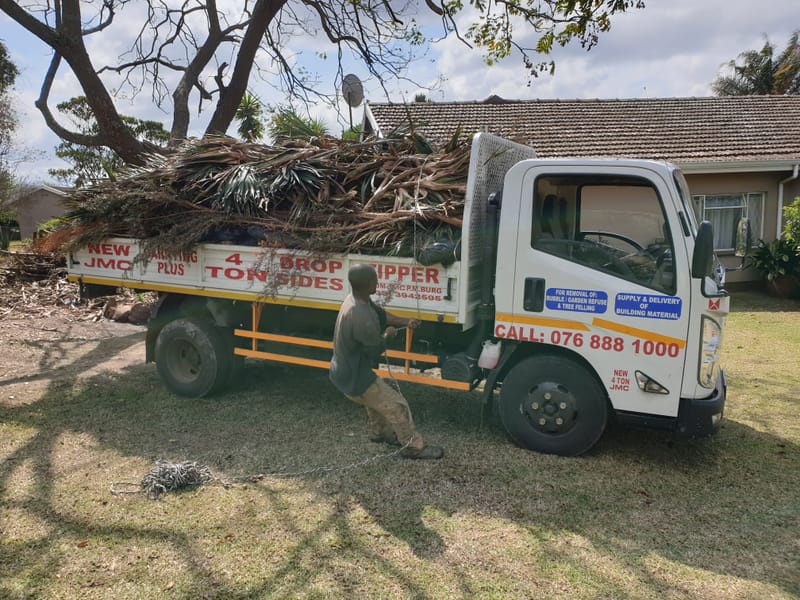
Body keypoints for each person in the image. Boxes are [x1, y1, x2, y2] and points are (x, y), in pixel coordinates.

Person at [329, 264, 444, 460]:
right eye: (375, 280)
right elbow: (375, 351)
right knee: (397, 405)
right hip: (355, 376)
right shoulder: (361, 315)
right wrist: (388, 336)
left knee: (375, 401)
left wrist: (406, 321)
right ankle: (413, 448)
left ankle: (379, 432)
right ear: (368, 284)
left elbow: (381, 315)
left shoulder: (356, 300)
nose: (378, 282)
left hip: (344, 371)